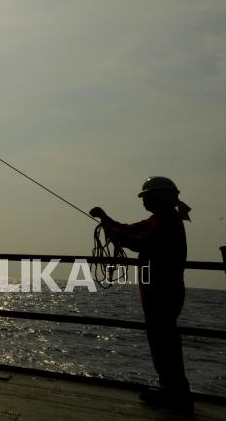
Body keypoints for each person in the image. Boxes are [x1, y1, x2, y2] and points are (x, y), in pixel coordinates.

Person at [90, 176, 193, 411]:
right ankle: (172, 389)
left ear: (159, 196)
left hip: (162, 291)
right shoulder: (159, 219)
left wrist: (115, 234)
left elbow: (139, 242)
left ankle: (175, 393)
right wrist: (106, 219)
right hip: (159, 290)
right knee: (162, 341)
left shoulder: (167, 221)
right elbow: (130, 230)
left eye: (147, 196)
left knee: (164, 342)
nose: (144, 201)